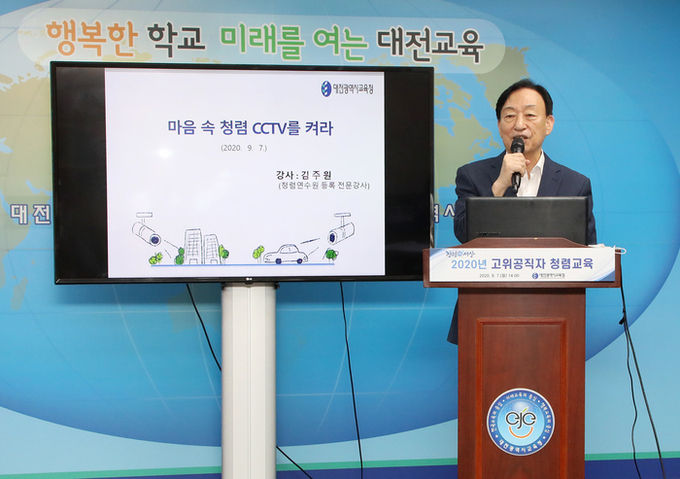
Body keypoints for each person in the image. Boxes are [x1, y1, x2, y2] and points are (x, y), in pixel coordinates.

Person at [447, 78, 597, 344]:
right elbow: (463, 234)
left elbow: (587, 254)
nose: (519, 125)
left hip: (555, 317)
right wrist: (499, 186)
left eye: (530, 115)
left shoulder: (575, 184)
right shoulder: (472, 175)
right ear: (499, 125)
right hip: (484, 313)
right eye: (509, 116)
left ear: (548, 123)